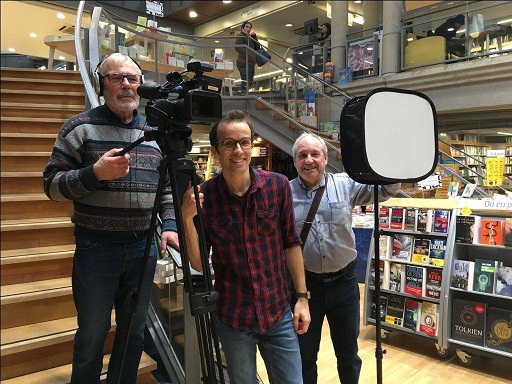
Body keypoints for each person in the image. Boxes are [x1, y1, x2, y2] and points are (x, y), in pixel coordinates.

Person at [43, 52, 179, 384]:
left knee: (134, 333)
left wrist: (171, 224)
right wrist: (94, 174)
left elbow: (166, 188)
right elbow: (52, 186)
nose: (126, 85)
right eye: (117, 78)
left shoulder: (155, 132)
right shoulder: (79, 128)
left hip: (143, 249)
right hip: (96, 249)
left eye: (132, 78)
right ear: (102, 83)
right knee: (92, 334)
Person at [182, 110, 311, 384]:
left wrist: (301, 298)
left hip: (277, 312)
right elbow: (197, 263)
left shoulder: (277, 186)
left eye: (244, 142)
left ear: (251, 145)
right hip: (233, 317)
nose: (238, 150)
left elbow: (291, 243)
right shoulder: (205, 197)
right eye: (229, 144)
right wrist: (186, 219)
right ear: (216, 151)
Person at [289, 133, 401, 384]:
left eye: (315, 154)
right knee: (305, 355)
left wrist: (394, 161)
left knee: (348, 354)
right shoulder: (284, 193)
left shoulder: (345, 184)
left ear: (326, 158)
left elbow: (385, 190)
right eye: (302, 155)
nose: (309, 160)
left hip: (345, 285)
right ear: (294, 161)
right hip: (305, 289)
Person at [235, 21, 260, 94]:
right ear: (242, 28)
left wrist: (254, 37)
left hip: (250, 63)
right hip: (243, 62)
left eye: (250, 27)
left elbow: (257, 48)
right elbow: (237, 47)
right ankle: (243, 94)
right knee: (246, 79)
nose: (248, 29)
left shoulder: (250, 38)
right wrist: (248, 55)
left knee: (249, 80)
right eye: (246, 27)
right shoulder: (240, 36)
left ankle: (245, 93)